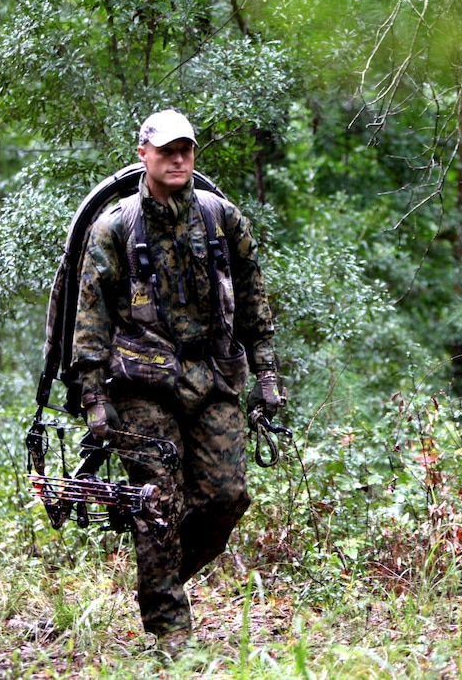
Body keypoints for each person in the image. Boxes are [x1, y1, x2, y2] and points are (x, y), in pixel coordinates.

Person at [71, 109, 283, 656]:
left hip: (212, 375)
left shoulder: (221, 218)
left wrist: (267, 374)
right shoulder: (115, 226)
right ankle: (171, 631)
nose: (178, 158)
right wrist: (95, 398)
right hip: (141, 381)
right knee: (158, 501)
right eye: (166, 150)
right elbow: (91, 315)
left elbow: (254, 299)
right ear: (143, 154)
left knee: (226, 497)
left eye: (185, 149)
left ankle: (159, 578)